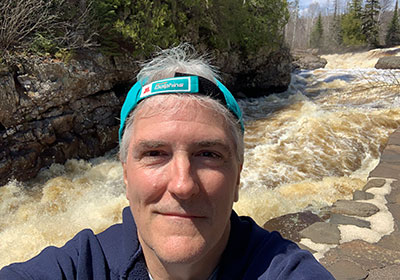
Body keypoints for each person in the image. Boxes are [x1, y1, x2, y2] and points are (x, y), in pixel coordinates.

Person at [0, 45, 334, 280]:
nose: (183, 184)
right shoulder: (82, 265)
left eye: (208, 154)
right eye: (155, 154)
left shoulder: (282, 269)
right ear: (125, 174)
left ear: (237, 178)